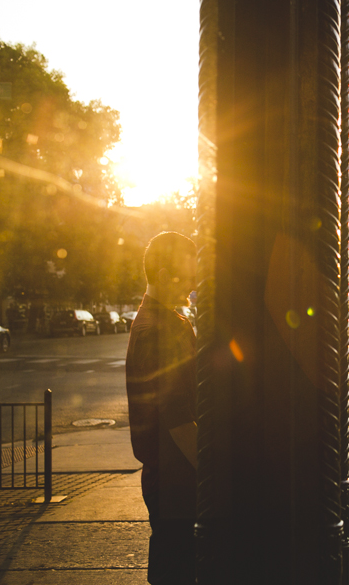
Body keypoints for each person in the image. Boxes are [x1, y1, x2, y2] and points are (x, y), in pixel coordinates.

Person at [126, 232, 198, 585]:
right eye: (186, 274)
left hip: (169, 478)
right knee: (180, 569)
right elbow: (178, 418)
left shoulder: (159, 322)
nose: (192, 282)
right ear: (166, 272)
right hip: (177, 480)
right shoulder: (160, 330)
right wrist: (212, 471)